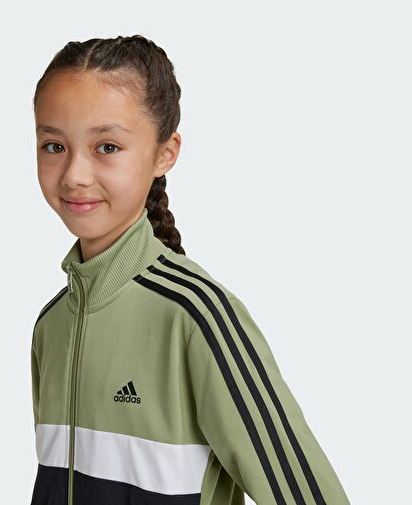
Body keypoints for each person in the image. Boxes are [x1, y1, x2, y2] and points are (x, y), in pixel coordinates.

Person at [29, 35, 351, 505]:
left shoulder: (198, 317)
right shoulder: (51, 326)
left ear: (165, 153)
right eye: (54, 145)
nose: (74, 174)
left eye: (107, 146)